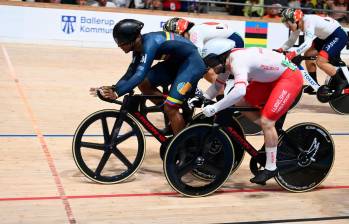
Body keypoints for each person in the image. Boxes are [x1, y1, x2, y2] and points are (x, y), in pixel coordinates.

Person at [199, 38, 303, 184]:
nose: (210, 67)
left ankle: (271, 166)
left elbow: (239, 90)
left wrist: (215, 107)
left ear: (220, 56)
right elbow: (217, 86)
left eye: (210, 63)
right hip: (270, 78)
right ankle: (270, 131)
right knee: (243, 104)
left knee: (267, 121)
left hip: (289, 77)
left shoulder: (237, 61)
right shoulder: (227, 61)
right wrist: (202, 98)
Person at [90, 19, 206, 135]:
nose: (119, 46)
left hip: (192, 64)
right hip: (176, 63)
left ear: (132, 39)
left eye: (121, 43)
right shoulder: (137, 47)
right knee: (145, 83)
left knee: (170, 107)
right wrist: (114, 88)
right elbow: (130, 73)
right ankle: (174, 112)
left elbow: (140, 74)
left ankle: (182, 146)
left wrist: (117, 93)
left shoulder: (150, 43)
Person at [277, 8, 348, 96]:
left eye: (288, 23)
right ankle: (313, 84)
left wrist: (293, 53)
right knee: (308, 54)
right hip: (325, 37)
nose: (287, 26)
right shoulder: (299, 24)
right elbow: (291, 41)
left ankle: (341, 82)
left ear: (295, 20)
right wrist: (281, 49)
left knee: (320, 61)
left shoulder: (308, 21)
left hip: (337, 35)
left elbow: (307, 44)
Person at [162, 17, 244, 83]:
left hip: (234, 41)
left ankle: (222, 93)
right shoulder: (195, 30)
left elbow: (200, 57)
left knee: (207, 71)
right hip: (234, 40)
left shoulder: (193, 34)